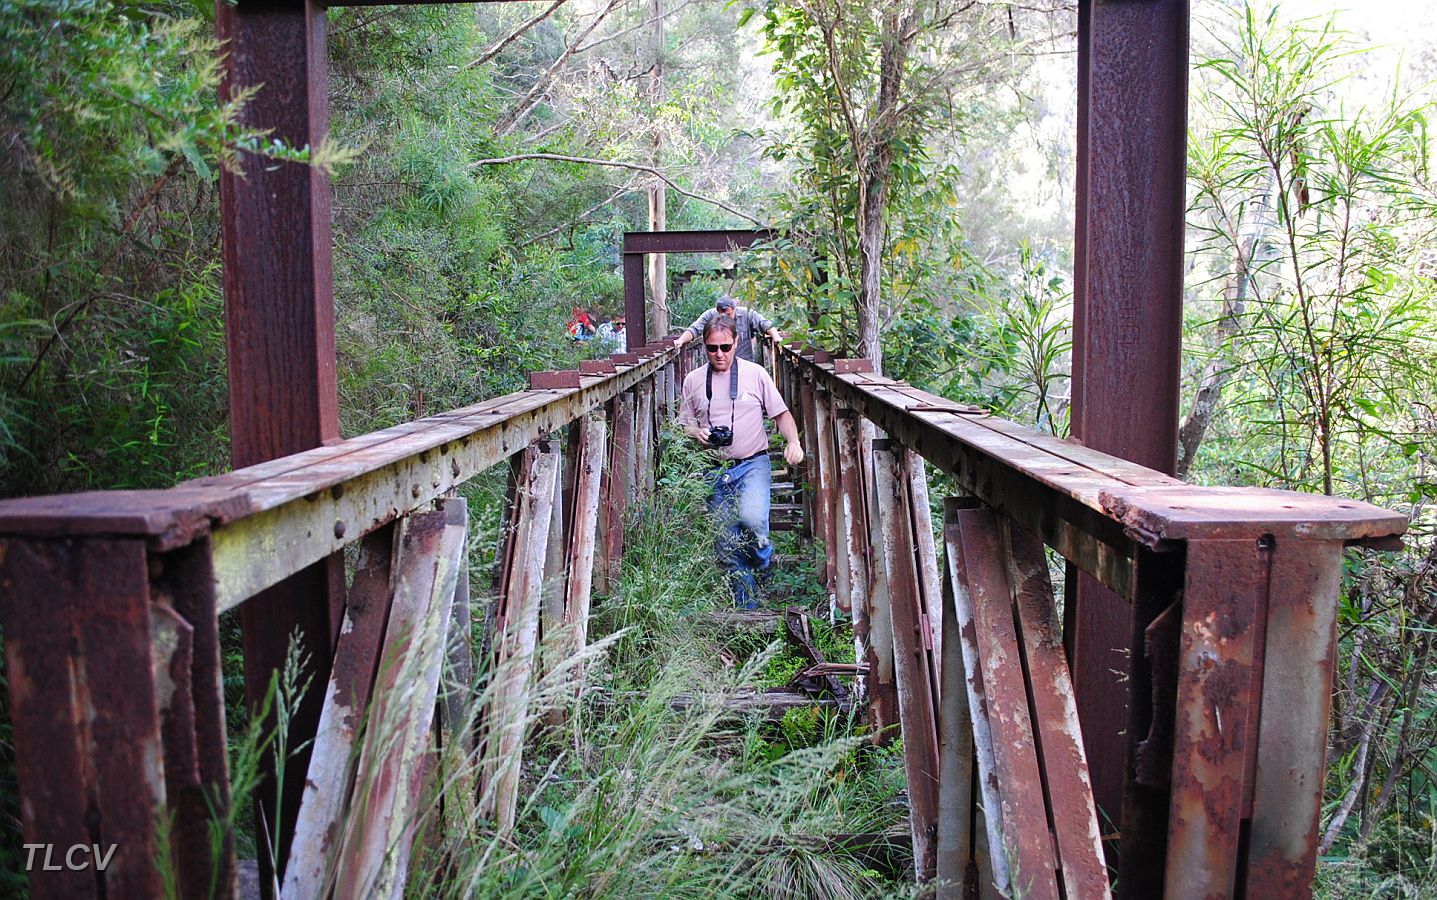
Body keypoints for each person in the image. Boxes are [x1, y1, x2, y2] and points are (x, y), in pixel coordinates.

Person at [679, 316, 804, 608]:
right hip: (714, 468)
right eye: (712, 348)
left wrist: (793, 442)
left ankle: (763, 563)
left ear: (737, 343)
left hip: (753, 462)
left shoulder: (756, 373)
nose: (719, 354)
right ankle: (747, 607)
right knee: (726, 541)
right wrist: (697, 432)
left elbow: (781, 414)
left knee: (753, 520)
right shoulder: (694, 380)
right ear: (703, 347)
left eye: (725, 346)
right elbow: (684, 423)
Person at [674, 295, 780, 362]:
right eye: (722, 314)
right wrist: (681, 340)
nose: (725, 317)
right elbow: (694, 329)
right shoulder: (710, 315)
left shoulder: (747, 314)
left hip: (743, 362)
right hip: (719, 364)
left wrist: (776, 337)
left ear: (734, 309)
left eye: (728, 314)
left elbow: (765, 323)